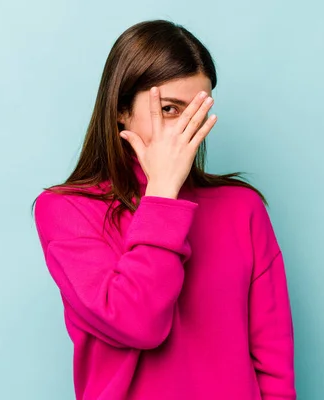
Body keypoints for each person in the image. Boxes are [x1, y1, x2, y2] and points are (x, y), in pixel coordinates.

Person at [32, 19, 296, 400]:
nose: (184, 130)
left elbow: (274, 367)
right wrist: (162, 197)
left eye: (197, 113)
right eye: (171, 109)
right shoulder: (66, 210)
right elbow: (137, 323)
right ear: (122, 109)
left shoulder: (242, 208)